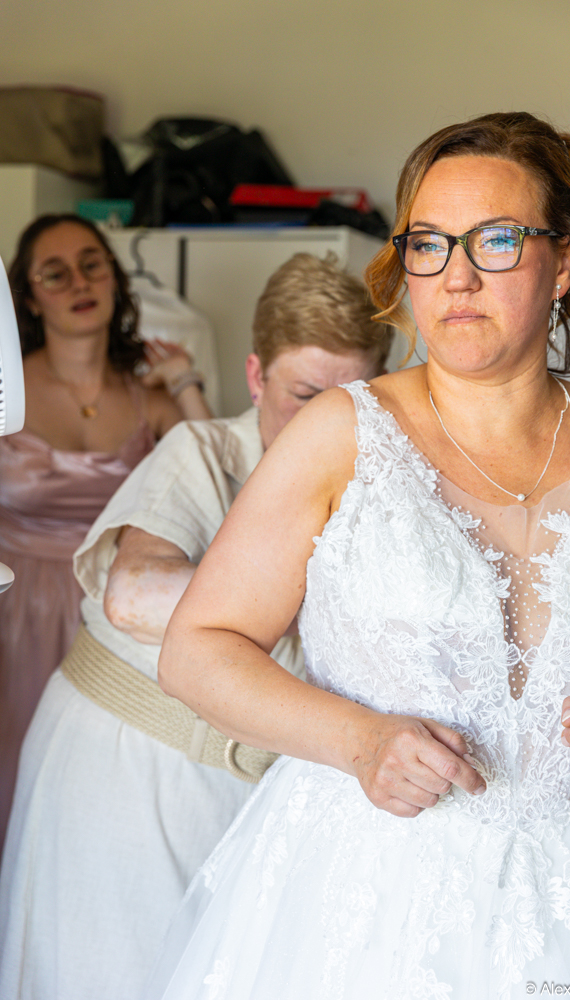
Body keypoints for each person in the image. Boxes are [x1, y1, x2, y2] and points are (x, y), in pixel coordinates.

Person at [143, 112, 570, 1000]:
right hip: (376, 906)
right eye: (428, 243)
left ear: (563, 262)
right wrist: (358, 741)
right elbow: (196, 650)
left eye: (495, 240)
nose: (456, 276)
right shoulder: (339, 435)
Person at [0, 252, 392, 1000]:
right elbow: (134, 594)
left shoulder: (382, 483)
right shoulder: (204, 452)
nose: (328, 422)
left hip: (248, 785)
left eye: (353, 399)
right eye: (305, 395)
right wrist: (329, 611)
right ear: (256, 377)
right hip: (124, 764)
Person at [0, 214, 211, 848]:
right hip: (14, 610)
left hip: (114, 611)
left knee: (96, 788)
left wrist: (186, 382)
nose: (78, 282)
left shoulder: (151, 400)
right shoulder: (5, 388)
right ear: (29, 297)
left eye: (91, 264)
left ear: (115, 279)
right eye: (55, 273)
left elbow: (220, 488)